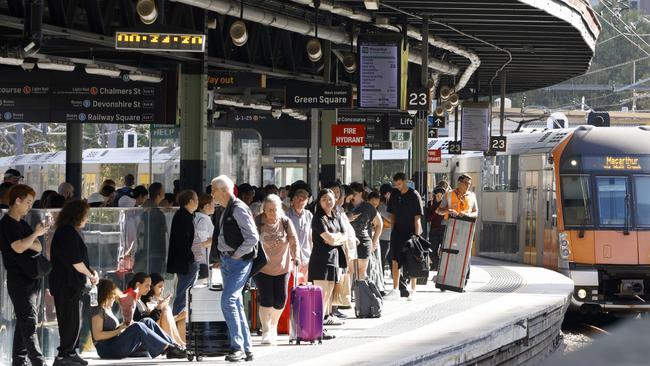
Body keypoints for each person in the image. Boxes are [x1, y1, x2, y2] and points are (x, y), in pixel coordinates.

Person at [0, 184, 49, 366]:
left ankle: (19, 361)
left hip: (32, 278)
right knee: (29, 321)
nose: (30, 206)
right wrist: (34, 235)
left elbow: (38, 246)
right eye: (28, 202)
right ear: (17, 201)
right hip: (18, 280)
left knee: (24, 321)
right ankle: (38, 361)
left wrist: (29, 239)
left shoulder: (23, 223)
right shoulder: (6, 224)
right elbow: (17, 247)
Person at [211, 175, 257, 362]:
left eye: (214, 189)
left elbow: (253, 237)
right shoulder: (223, 209)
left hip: (238, 262)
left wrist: (237, 254)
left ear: (224, 190)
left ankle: (237, 347)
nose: (211, 193)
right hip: (228, 261)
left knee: (228, 300)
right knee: (235, 302)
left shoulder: (238, 209)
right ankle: (246, 348)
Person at [50, 199, 98, 366]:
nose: (86, 218)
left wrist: (91, 272)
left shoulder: (70, 231)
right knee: (69, 320)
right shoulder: (67, 233)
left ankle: (70, 351)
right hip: (66, 284)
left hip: (71, 284)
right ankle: (64, 354)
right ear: (77, 215)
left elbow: (79, 260)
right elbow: (76, 261)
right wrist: (90, 275)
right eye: (85, 215)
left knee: (74, 320)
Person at [90, 279, 186, 359]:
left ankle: (174, 346)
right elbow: (98, 336)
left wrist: (124, 326)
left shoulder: (107, 309)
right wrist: (120, 329)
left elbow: (112, 331)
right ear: (107, 295)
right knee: (138, 326)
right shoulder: (98, 310)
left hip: (114, 344)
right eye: (113, 295)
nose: (114, 297)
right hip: (107, 350)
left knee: (147, 321)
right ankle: (167, 348)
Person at [254, 194, 299, 346]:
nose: (272, 213)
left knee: (281, 300)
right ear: (264, 209)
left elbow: (293, 240)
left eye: (275, 209)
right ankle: (266, 331)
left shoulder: (285, 222)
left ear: (280, 209)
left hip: (282, 266)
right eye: (269, 210)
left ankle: (273, 325)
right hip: (262, 267)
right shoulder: (258, 221)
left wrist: (296, 255)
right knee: (266, 299)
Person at [308, 189, 347, 334]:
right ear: (319, 201)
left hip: (334, 259)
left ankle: (320, 327)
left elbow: (344, 236)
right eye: (324, 199)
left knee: (328, 295)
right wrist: (335, 238)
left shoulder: (335, 216)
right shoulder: (318, 218)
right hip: (320, 260)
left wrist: (334, 238)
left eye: (330, 199)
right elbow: (329, 239)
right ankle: (316, 328)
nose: (328, 201)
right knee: (320, 296)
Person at [385, 173, 424, 301]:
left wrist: (416, 237)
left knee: (412, 259)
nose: (397, 186)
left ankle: (413, 290)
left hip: (411, 233)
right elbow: (392, 216)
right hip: (397, 232)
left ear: (405, 181)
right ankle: (395, 289)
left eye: (399, 184)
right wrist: (392, 231)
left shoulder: (414, 195)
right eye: (396, 184)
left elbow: (417, 218)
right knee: (395, 259)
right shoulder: (394, 194)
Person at [436, 175, 479, 281]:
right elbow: (438, 210)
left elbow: (476, 212)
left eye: (469, 183)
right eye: (466, 183)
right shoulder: (449, 195)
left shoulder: (472, 195)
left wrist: (467, 214)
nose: (468, 185)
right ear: (459, 183)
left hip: (466, 229)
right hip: (450, 229)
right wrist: (448, 211)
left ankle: (464, 278)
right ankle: (445, 278)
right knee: (448, 252)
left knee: (465, 253)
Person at [128, 273, 185, 347]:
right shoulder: (133, 300)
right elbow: (143, 321)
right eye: (147, 286)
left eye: (149, 286)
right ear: (138, 285)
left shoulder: (140, 301)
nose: (149, 289)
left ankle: (178, 342)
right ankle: (174, 343)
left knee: (170, 311)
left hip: (149, 327)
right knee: (166, 309)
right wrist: (159, 308)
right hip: (143, 331)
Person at [166, 190, 199, 316]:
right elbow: (183, 242)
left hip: (187, 261)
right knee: (183, 294)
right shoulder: (183, 217)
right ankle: (176, 321)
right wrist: (191, 258)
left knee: (185, 294)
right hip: (186, 262)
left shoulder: (185, 216)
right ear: (190, 201)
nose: (197, 202)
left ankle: (180, 321)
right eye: (196, 199)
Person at [347, 182, 382, 281]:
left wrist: (374, 242)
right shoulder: (347, 205)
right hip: (349, 243)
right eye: (351, 193)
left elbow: (379, 224)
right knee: (350, 271)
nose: (352, 196)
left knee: (361, 273)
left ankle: (363, 296)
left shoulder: (368, 206)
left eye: (354, 193)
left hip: (363, 242)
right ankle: (350, 296)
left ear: (360, 193)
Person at [135, 182, 168, 274]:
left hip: (144, 251)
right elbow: (160, 234)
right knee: (154, 278)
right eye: (163, 190)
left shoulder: (145, 209)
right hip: (154, 252)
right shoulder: (156, 212)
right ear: (159, 193)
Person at [286, 188, 313, 281]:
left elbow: (311, 237)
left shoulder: (309, 215)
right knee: (292, 286)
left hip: (306, 256)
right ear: (293, 199)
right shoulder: (286, 215)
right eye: (298, 198)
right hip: (291, 258)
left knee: (305, 287)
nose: (301, 201)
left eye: (304, 198)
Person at [193, 194, 215, 281]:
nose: (214, 207)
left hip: (203, 260)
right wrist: (217, 238)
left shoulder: (202, 218)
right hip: (201, 261)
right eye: (213, 204)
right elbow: (202, 243)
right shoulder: (202, 220)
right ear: (206, 205)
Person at [427, 187, 447, 269]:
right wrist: (436, 212)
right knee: (432, 251)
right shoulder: (430, 204)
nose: (439, 198)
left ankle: (441, 268)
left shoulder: (446, 205)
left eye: (440, 196)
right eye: (437, 196)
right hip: (434, 230)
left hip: (444, 230)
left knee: (444, 251)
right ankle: (439, 266)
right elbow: (428, 218)